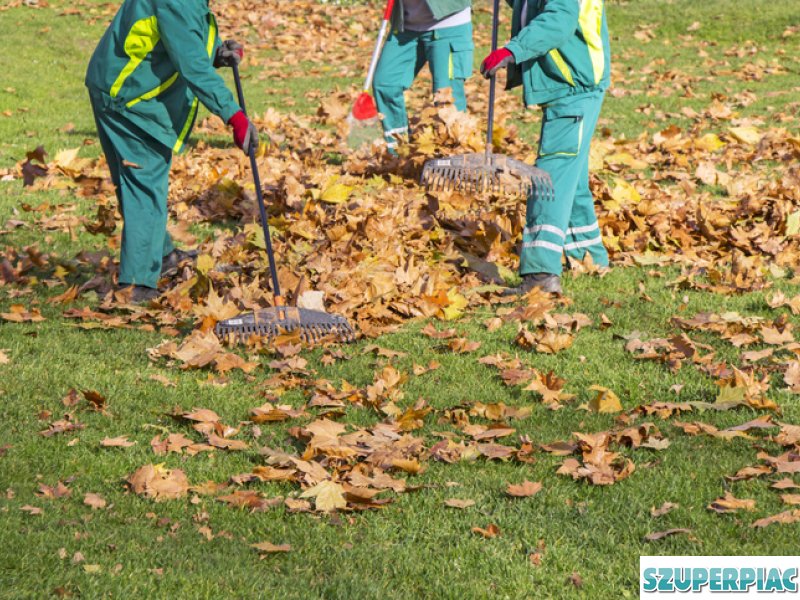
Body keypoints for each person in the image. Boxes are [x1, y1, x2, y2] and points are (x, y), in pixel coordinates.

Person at [85, 0, 258, 303]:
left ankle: (161, 256)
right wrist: (234, 116)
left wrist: (215, 49)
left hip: (115, 85)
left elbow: (181, 33)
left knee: (139, 181)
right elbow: (191, 64)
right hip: (128, 98)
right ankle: (137, 284)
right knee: (144, 181)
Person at [480, 0, 611, 295]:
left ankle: (540, 274)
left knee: (549, 179)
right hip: (574, 85)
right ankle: (589, 257)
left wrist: (512, 51)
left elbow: (559, 18)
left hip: (575, 87)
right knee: (570, 179)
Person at [373, 0, 474, 152]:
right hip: (406, 26)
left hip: (448, 23)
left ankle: (456, 161)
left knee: (446, 98)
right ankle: (398, 154)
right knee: (386, 83)